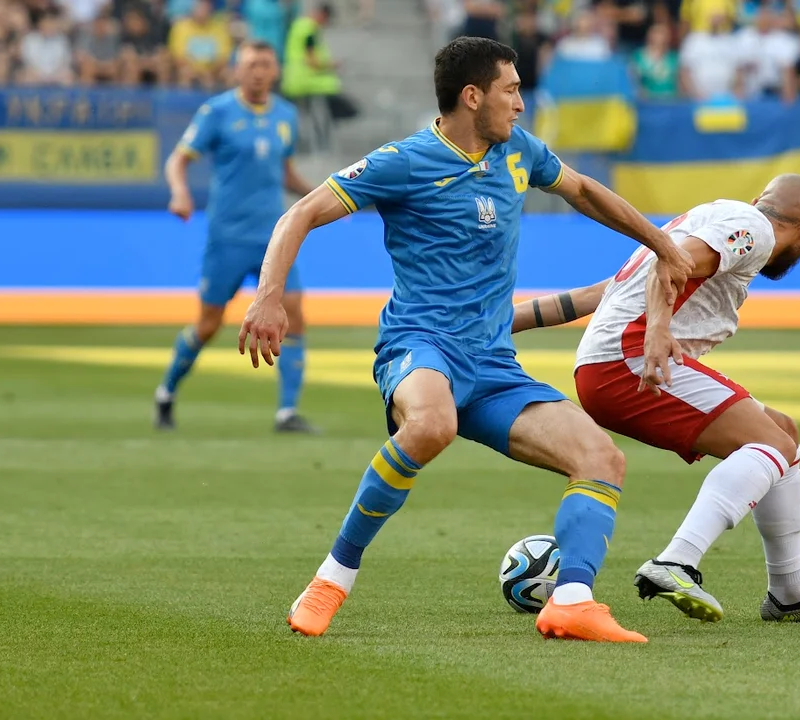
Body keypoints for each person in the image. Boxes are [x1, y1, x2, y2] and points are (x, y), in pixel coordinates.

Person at [238, 37, 694, 643]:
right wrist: (268, 296)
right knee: (432, 425)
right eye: (512, 90)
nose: (522, 105)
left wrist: (663, 244)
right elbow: (299, 213)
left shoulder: (519, 152)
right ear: (473, 96)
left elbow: (584, 191)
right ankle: (331, 578)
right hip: (420, 345)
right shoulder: (405, 161)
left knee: (602, 458)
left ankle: (573, 601)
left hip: (493, 364)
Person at [512, 175, 800, 623]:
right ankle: (677, 561)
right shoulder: (753, 230)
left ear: (760, 198)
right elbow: (670, 265)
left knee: (783, 432)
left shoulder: (704, 219)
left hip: (606, 366)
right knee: (772, 445)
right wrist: (657, 330)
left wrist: (497, 324)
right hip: (631, 361)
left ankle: (790, 593)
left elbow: (592, 295)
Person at [156, 40, 319, 434]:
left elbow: (284, 172)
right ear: (237, 70)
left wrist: (321, 197)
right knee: (208, 324)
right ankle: (166, 391)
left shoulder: (286, 115)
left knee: (294, 312)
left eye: (265, 64)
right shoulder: (217, 112)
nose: (258, 72)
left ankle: (287, 412)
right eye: (250, 65)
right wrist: (179, 193)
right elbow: (178, 160)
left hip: (274, 238)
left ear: (275, 71)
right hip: (227, 237)